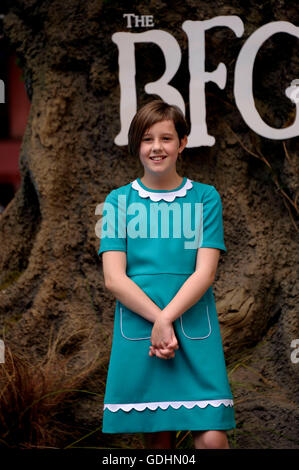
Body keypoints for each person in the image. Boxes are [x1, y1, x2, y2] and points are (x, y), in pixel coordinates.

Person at [97, 99, 236, 449]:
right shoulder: (117, 202)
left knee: (213, 438)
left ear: (183, 143)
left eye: (166, 138)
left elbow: (204, 273)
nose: (156, 147)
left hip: (190, 327)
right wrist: (157, 321)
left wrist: (167, 320)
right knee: (158, 441)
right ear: (136, 146)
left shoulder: (205, 198)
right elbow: (114, 278)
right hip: (142, 329)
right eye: (147, 139)